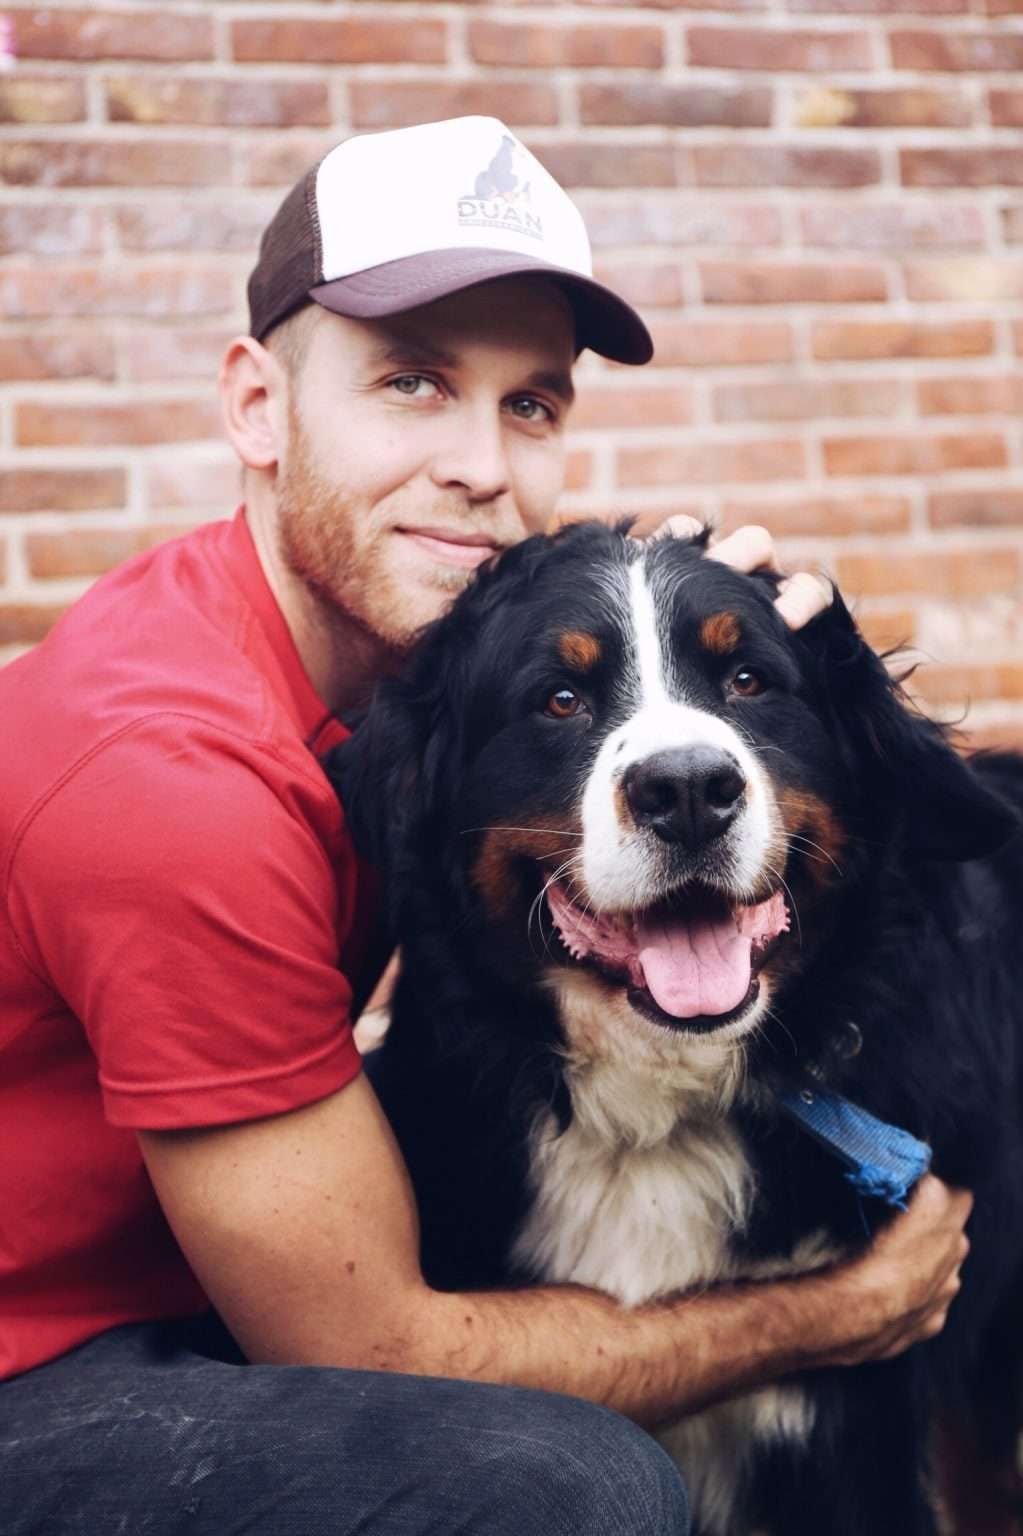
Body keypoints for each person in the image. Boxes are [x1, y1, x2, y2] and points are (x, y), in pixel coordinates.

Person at [0, 117, 970, 1536]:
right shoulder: (168, 776)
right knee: (559, 1481)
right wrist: (837, 1314)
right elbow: (369, 1350)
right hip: (43, 1369)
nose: (481, 468)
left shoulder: (405, 680)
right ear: (257, 406)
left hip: (179, 1298)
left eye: (530, 405)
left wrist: (706, 655)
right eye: (411, 382)